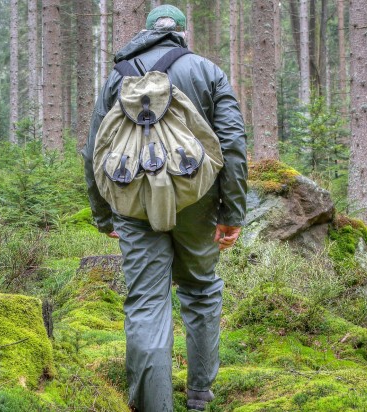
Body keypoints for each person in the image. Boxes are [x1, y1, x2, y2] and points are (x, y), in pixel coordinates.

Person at [81, 5, 248, 412]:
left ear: (147, 32)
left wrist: (104, 214)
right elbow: (232, 145)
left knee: (146, 302)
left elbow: (93, 151)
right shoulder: (208, 71)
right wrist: (232, 213)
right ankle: (199, 397)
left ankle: (155, 406)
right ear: (183, 34)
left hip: (132, 201)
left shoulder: (118, 75)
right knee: (201, 290)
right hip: (198, 198)